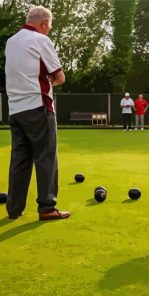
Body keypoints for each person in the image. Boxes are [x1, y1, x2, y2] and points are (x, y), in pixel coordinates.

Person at [5, 6, 71, 220]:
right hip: (38, 106)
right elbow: (59, 76)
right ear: (43, 23)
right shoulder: (41, 40)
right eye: (49, 25)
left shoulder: (11, 41)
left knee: (20, 159)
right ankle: (47, 208)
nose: (49, 30)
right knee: (46, 157)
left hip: (15, 109)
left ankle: (14, 209)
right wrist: (51, 80)